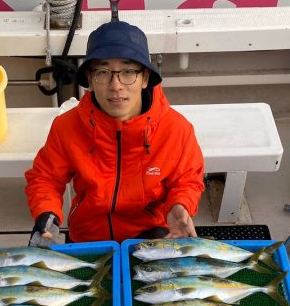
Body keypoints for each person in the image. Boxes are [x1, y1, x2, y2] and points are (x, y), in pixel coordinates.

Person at [25, 18, 205, 244]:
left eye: (128, 71)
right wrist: (46, 213)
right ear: (90, 79)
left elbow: (187, 180)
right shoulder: (66, 126)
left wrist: (180, 206)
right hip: (88, 235)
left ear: (145, 78)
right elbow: (46, 178)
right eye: (103, 72)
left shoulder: (177, 129)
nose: (116, 85)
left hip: (152, 234)